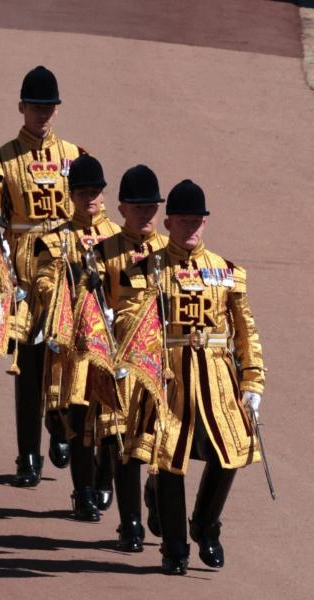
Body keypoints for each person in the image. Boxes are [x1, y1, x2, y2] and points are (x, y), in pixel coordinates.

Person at [122, 179, 265, 575]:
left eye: (198, 222)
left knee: (230, 451)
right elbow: (133, 319)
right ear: (168, 222)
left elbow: (246, 330)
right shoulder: (148, 268)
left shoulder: (226, 271)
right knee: (169, 458)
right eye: (184, 221)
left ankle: (205, 523)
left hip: (217, 377)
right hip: (169, 377)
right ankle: (174, 547)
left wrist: (252, 381)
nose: (192, 229)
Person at [0, 66, 85, 486]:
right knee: (28, 365)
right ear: (21, 107)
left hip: (65, 268)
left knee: (68, 355)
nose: (42, 114)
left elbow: (90, 211)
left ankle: (60, 427)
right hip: (21, 271)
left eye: (49, 107)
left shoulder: (76, 157)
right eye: (36, 106)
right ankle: (28, 457)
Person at [32, 155, 120, 521]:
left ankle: (104, 478)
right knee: (81, 418)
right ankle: (83, 490)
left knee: (114, 419)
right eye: (83, 192)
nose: (90, 199)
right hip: (75, 344)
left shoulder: (119, 237)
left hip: (114, 341)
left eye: (96, 192)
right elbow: (43, 281)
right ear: (71, 194)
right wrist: (62, 301)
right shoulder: (56, 240)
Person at [93, 164, 168, 551]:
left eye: (153, 207)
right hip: (119, 362)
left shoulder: (171, 254)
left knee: (160, 440)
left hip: (162, 364)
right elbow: (89, 308)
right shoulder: (102, 253)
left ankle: (156, 495)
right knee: (121, 441)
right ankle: (131, 523)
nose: (147, 214)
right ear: (121, 208)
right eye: (139, 207)